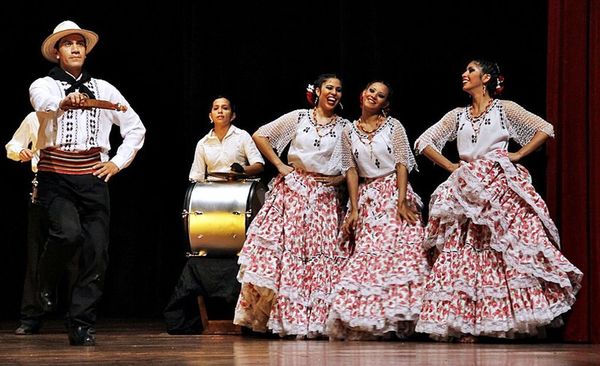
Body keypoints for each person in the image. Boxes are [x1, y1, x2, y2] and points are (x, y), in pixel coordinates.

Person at [413, 59, 583, 341]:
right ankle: (469, 322)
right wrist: (451, 166)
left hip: (498, 181)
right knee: (467, 251)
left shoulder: (505, 109)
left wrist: (517, 155)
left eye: (471, 70)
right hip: (466, 185)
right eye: (465, 70)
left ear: (487, 78)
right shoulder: (458, 115)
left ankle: (505, 321)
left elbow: (545, 128)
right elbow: (424, 141)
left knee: (503, 250)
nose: (464, 74)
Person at [29, 20, 146, 346]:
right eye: (68, 44)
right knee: (67, 234)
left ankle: (81, 323)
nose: (76, 48)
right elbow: (42, 102)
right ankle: (45, 281)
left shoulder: (105, 89)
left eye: (80, 43)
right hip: (56, 176)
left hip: (92, 178)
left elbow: (136, 128)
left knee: (97, 252)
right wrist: (64, 102)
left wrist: (116, 162)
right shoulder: (45, 85)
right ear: (57, 52)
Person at [233, 73, 349, 338]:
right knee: (290, 256)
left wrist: (339, 178)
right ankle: (285, 320)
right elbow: (261, 136)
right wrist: (280, 165)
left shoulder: (345, 126)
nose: (334, 92)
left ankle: (315, 322)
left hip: (324, 197)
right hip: (294, 191)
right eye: (329, 87)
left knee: (320, 258)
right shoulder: (299, 117)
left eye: (339, 89)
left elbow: (356, 161)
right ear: (317, 91)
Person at [326, 81, 430, 340]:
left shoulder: (394, 126)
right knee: (370, 257)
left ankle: (403, 319)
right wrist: (353, 209)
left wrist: (402, 199)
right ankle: (373, 320)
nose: (374, 96)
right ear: (362, 95)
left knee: (400, 254)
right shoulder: (348, 131)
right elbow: (350, 170)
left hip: (393, 191)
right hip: (368, 197)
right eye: (371, 91)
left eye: (380, 95)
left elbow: (402, 163)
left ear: (386, 103)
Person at [6, 112, 45, 335]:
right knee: (36, 256)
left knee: (77, 254)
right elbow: (13, 144)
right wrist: (19, 151)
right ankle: (31, 316)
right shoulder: (35, 118)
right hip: (43, 188)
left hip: (77, 187)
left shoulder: (84, 117)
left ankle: (78, 316)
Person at [189, 95, 264, 182]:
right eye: (216, 108)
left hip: (239, 189)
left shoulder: (242, 136)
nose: (220, 111)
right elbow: (197, 176)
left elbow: (259, 166)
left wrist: (242, 169)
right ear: (210, 116)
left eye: (225, 108)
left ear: (232, 116)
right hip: (211, 190)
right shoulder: (203, 143)